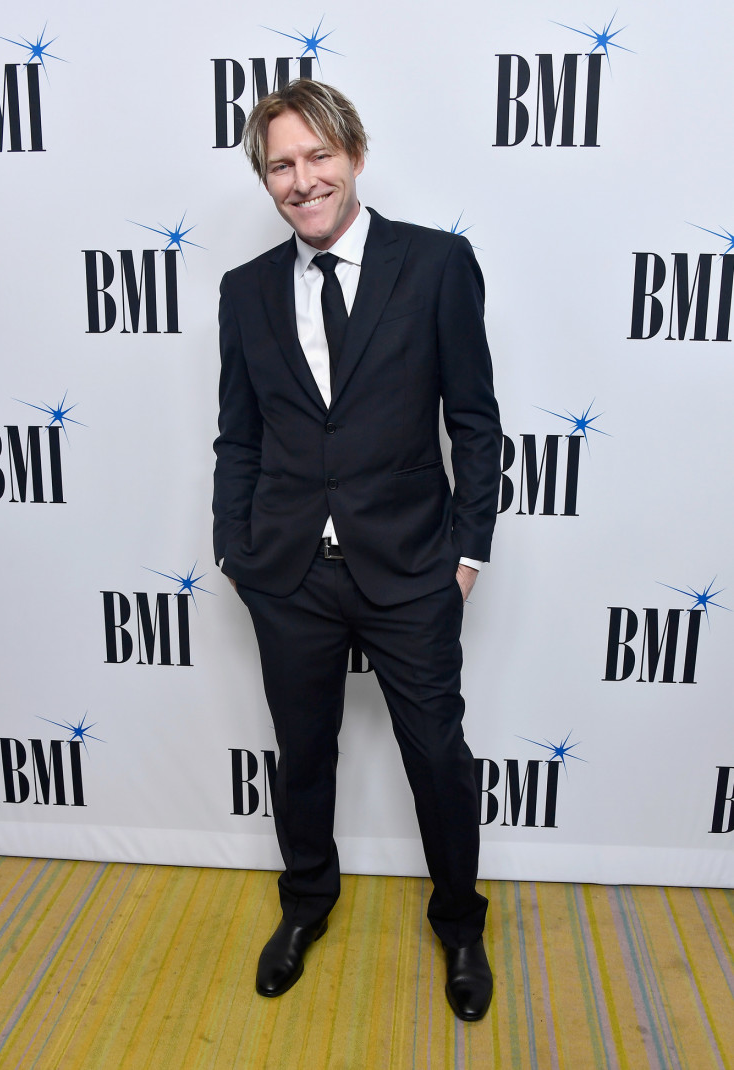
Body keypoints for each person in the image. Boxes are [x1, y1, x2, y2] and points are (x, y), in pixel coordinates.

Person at [212, 79, 501, 1022]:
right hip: (290, 573)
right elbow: (239, 437)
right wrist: (235, 551)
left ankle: (460, 925)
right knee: (302, 757)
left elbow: (475, 421)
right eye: (281, 166)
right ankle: (306, 905)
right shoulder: (245, 291)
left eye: (318, 156)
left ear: (355, 156)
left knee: (438, 758)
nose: (302, 180)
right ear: (266, 180)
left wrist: (466, 556)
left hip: (413, 568)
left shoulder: (437, 263)